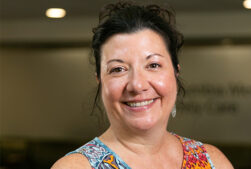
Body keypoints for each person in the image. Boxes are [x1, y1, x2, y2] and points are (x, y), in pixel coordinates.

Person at [52, 1, 233, 169]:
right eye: (118, 69)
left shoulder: (212, 161)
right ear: (100, 80)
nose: (137, 85)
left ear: (176, 72)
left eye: (153, 65)